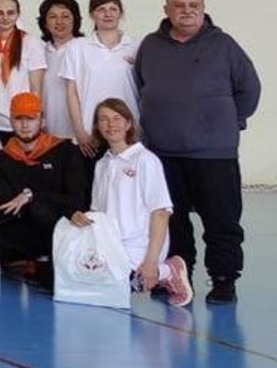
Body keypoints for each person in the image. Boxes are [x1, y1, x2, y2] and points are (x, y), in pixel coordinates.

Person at [134, 0, 260, 304]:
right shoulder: (150, 45)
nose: (187, 11)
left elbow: (249, 89)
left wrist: (229, 122)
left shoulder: (224, 45)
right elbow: (141, 85)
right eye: (179, 5)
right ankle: (178, 276)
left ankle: (223, 280)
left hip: (214, 154)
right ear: (166, 10)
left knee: (221, 221)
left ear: (203, 9)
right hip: (163, 152)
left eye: (194, 5)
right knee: (172, 222)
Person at [69, 98, 193, 306]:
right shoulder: (102, 164)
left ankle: (167, 271)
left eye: (117, 118)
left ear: (128, 124)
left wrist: (151, 262)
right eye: (104, 119)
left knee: (110, 291)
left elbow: (161, 213)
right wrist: (82, 217)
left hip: (140, 246)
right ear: (97, 126)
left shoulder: (146, 160)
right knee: (80, 288)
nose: (111, 124)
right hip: (111, 246)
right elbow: (98, 212)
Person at [0, 92, 90, 291]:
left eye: (31, 118)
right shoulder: (3, 157)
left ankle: (49, 261)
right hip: (27, 226)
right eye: (19, 118)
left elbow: (77, 200)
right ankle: (33, 258)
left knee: (39, 209)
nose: (25, 124)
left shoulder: (66, 150)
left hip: (63, 224)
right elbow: (7, 204)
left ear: (42, 121)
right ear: (11, 121)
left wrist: (32, 195)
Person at [63, 0, 139, 160]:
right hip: (90, 135)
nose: (108, 14)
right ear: (92, 15)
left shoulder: (136, 46)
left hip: (128, 133)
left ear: (121, 13)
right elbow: (71, 93)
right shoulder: (77, 47)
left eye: (113, 9)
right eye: (101, 9)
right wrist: (79, 131)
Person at [0, 0, 45, 143]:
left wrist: (36, 118)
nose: (5, 18)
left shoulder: (31, 43)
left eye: (10, 13)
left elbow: (36, 89)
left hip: (22, 122)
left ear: (18, 14)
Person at [37, 0, 83, 141]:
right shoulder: (39, 51)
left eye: (65, 16)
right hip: (45, 133)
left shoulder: (84, 49)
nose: (59, 22)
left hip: (79, 135)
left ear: (75, 20)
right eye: (53, 17)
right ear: (45, 23)